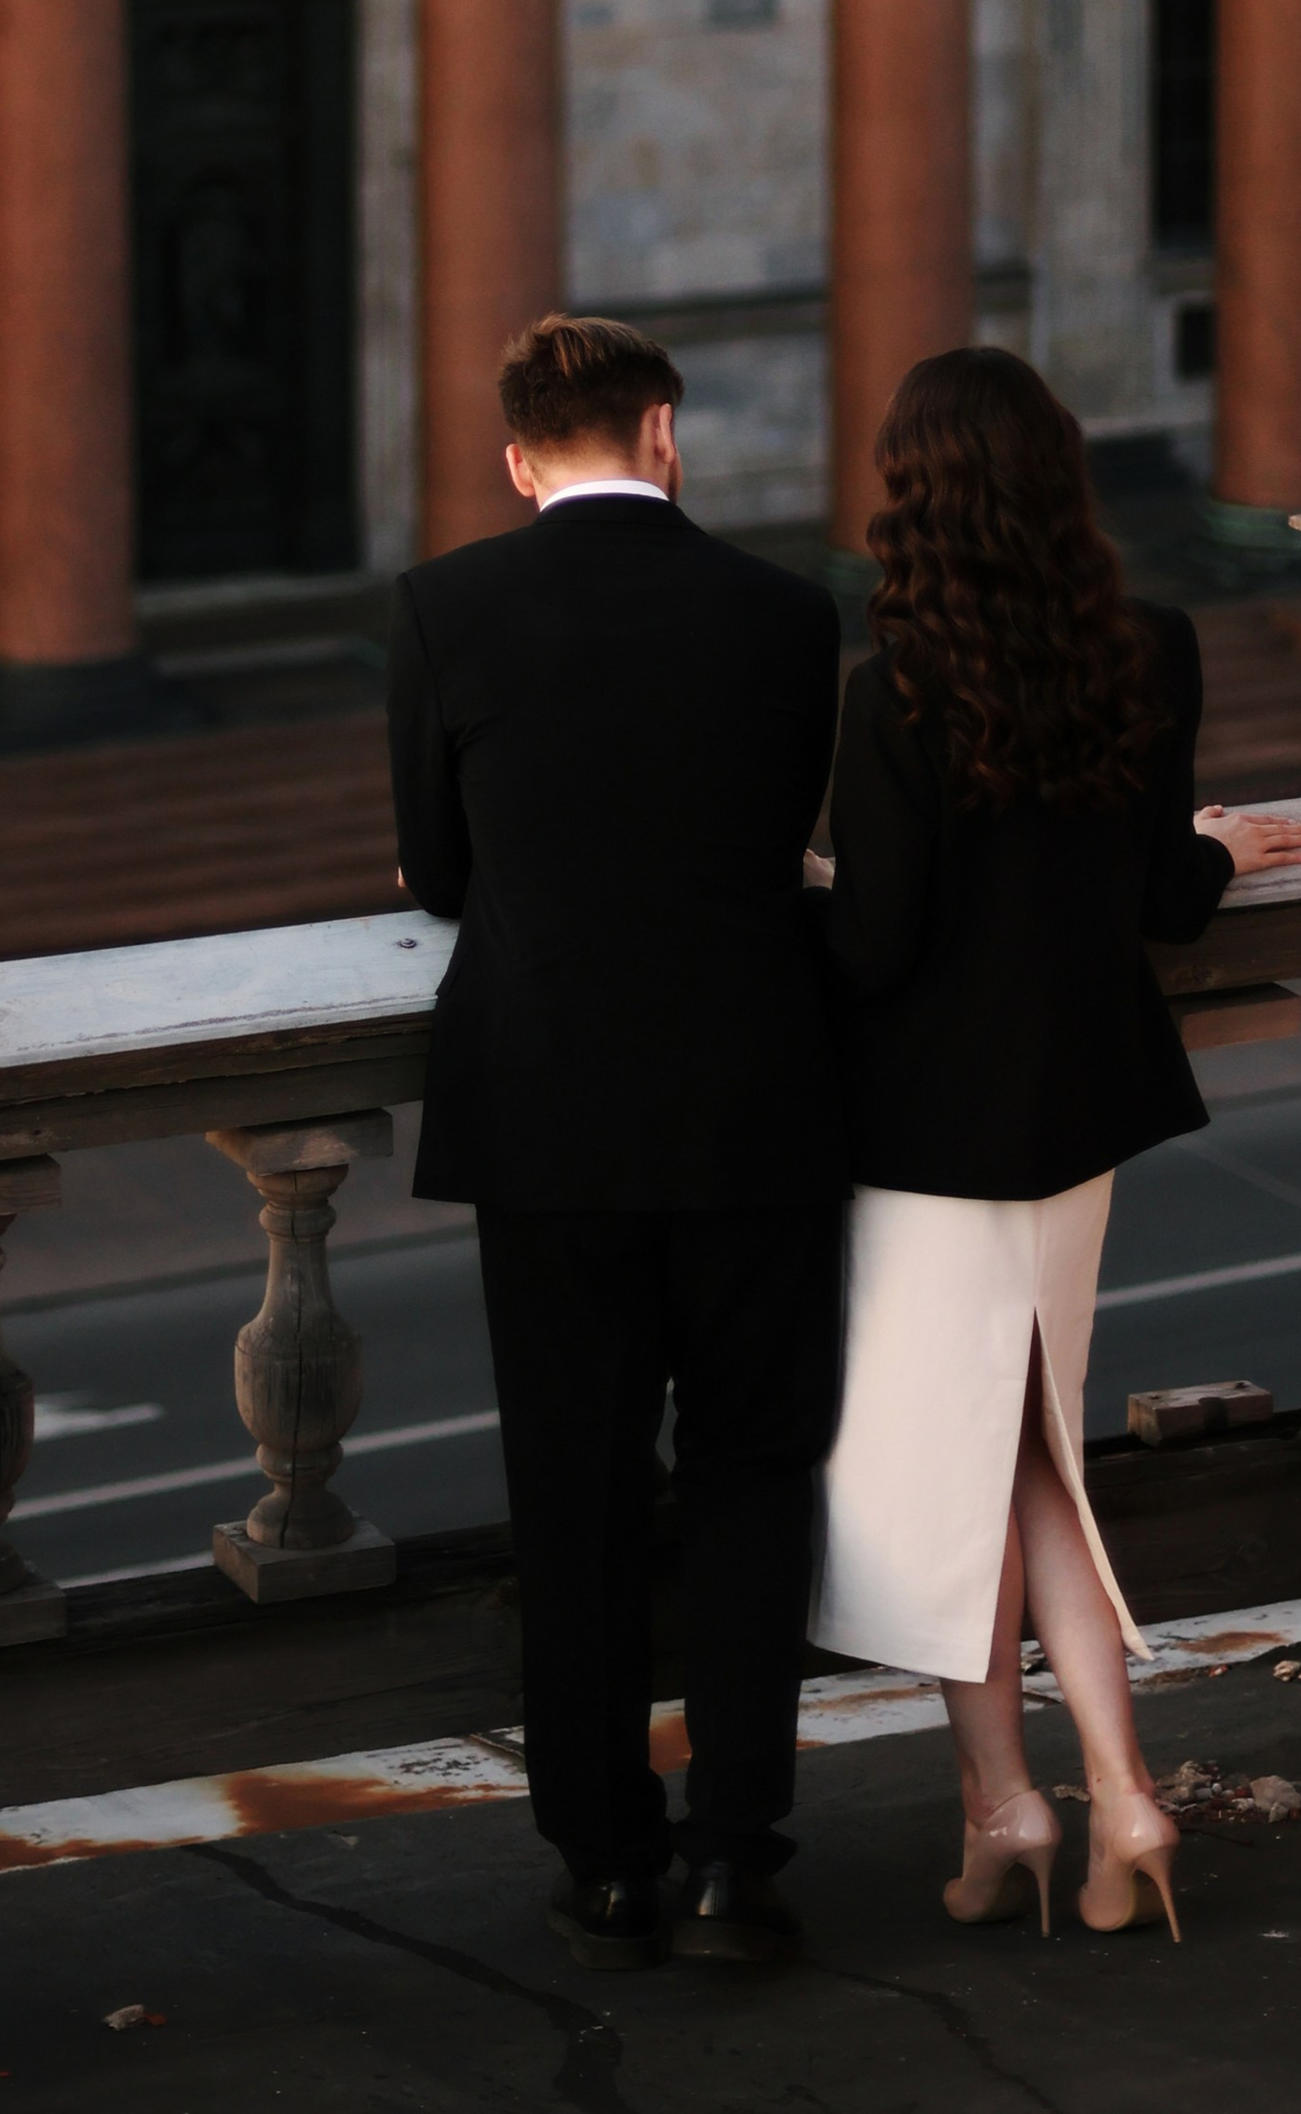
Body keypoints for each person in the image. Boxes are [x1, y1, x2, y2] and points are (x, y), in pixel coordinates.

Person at [809, 347, 1301, 1942]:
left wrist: (802, 878)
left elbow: (876, 949)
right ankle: (1119, 1797)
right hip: (1076, 1120)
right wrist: (1214, 846)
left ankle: (1010, 1806)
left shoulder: (889, 689)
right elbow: (1161, 898)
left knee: (952, 1474)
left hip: (926, 1138)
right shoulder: (1145, 650)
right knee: (1033, 1460)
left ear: (916, 497)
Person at [390, 312, 845, 1972]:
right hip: (754, 1110)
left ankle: (604, 1857)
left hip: (550, 1115)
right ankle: (739, 1857)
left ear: (521, 459)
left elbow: (435, 872)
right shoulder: (790, 618)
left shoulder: (447, 607)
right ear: (665, 432)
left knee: (574, 1496)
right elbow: (789, 841)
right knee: (750, 1482)